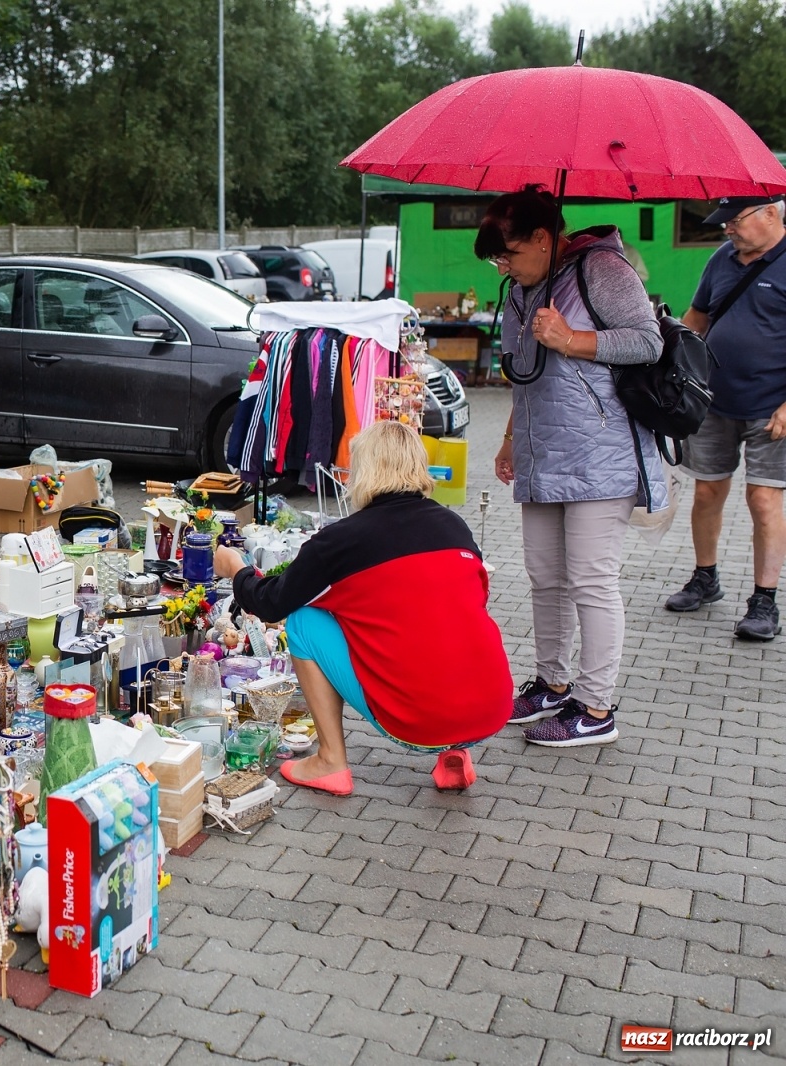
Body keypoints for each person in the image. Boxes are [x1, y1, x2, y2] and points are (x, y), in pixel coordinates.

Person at [214, 421, 511, 794]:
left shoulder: (342, 541)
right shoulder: (454, 526)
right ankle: (456, 752)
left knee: (304, 620)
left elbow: (270, 604)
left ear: (363, 470)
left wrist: (236, 569)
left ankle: (330, 761)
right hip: (490, 710)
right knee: (446, 621)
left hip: (413, 722)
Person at [480, 187, 664, 747]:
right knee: (545, 577)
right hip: (542, 452)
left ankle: (595, 706)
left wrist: (572, 338)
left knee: (591, 579)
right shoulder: (519, 289)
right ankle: (553, 683)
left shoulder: (602, 268)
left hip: (599, 454)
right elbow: (523, 370)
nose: (503, 266)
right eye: (496, 260)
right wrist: (511, 437)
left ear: (542, 237)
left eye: (508, 253)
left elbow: (647, 342)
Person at [664, 196, 786, 641]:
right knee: (708, 491)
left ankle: (764, 601)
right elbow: (696, 317)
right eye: (724, 223)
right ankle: (705, 577)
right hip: (713, 400)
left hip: (773, 407)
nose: (727, 231)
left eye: (734, 222)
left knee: (764, 500)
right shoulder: (721, 260)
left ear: (770, 214)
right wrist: (668, 363)